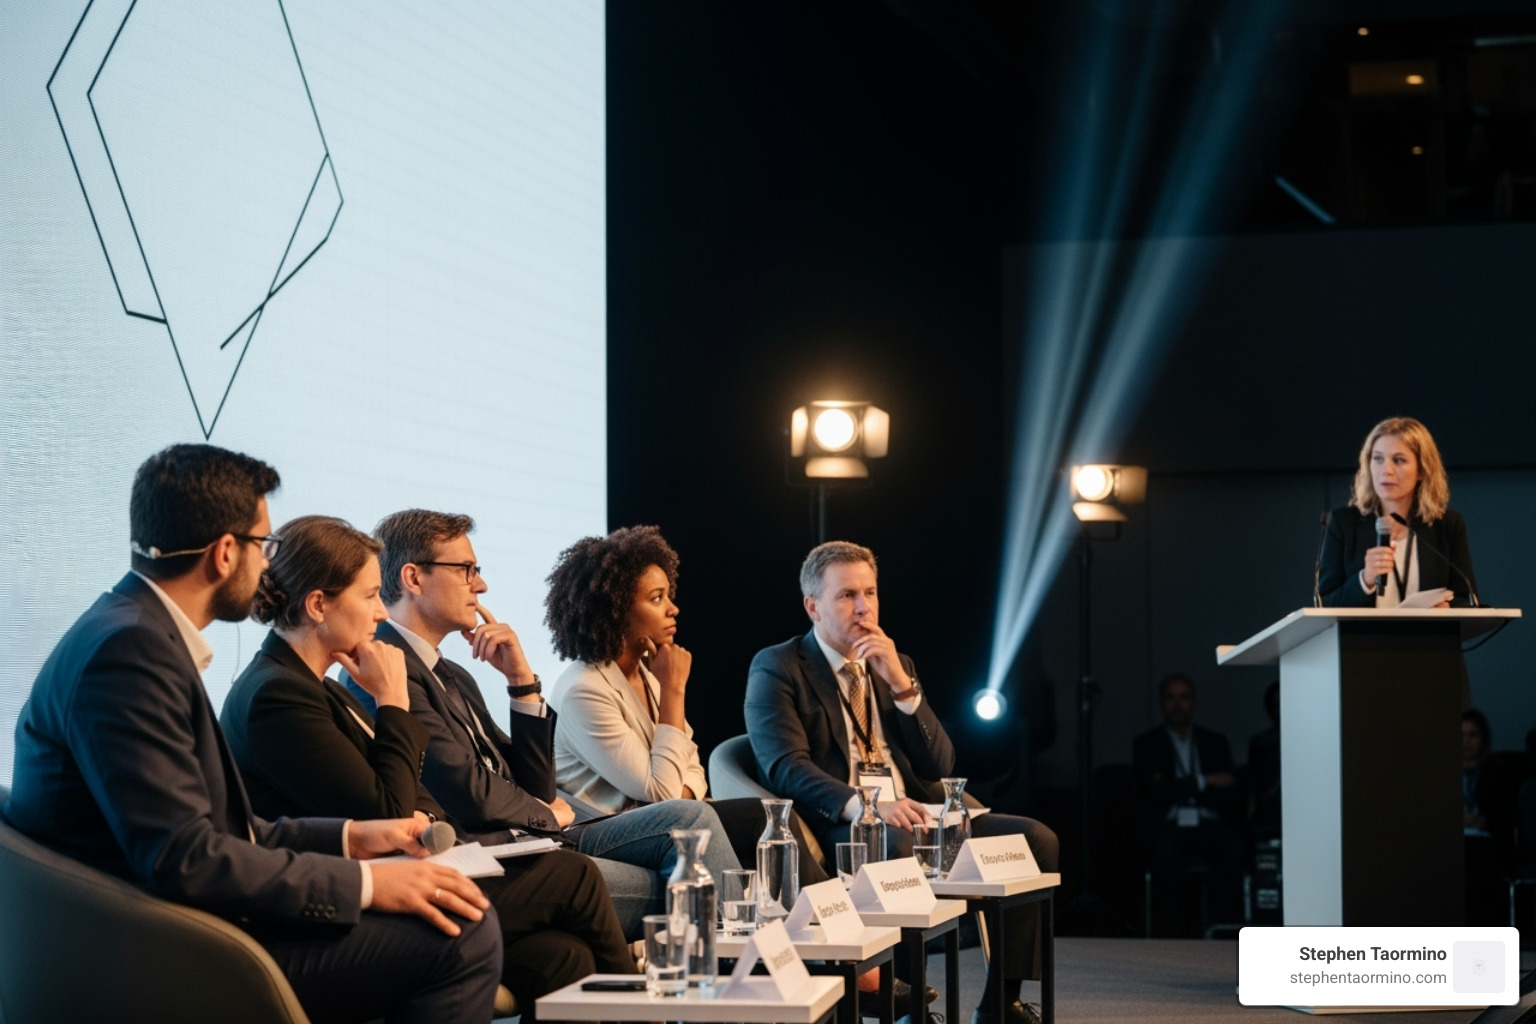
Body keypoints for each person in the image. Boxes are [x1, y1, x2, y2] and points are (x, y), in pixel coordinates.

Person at [6, 445, 501, 1024]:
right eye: (262, 546)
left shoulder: (132, 631)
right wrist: (367, 883)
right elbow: (188, 857)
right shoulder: (130, 653)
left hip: (169, 925)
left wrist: (353, 839)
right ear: (223, 554)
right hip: (159, 951)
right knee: (462, 933)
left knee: (462, 918)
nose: (269, 567)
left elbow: (222, 830)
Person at [220, 515, 635, 1014]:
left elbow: (404, 798)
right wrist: (393, 701)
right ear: (317, 606)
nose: (380, 613)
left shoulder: (316, 685)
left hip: (410, 865)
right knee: (574, 877)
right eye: (370, 596)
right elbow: (388, 810)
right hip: (330, 909)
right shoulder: (277, 695)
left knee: (560, 957)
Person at [350, 509, 737, 938]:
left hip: (536, 838)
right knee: (686, 870)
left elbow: (535, 784)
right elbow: (464, 787)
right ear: (414, 578)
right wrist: (544, 814)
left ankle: (739, 975)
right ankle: (748, 978)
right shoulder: (383, 669)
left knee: (696, 834)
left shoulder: (453, 674)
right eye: (466, 570)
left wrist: (522, 684)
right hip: (492, 853)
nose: (480, 585)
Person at [745, 540, 1060, 1024]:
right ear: (813, 606)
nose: (864, 608)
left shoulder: (896, 663)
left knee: (1035, 839)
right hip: (842, 822)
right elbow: (784, 767)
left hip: (918, 812)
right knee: (896, 839)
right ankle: (908, 1004)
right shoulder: (779, 667)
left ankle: (1002, 1001)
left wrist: (901, 686)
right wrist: (865, 806)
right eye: (847, 595)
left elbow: (939, 764)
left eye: (870, 593)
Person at [541, 526, 830, 879]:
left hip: (657, 818)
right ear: (615, 609)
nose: (673, 608)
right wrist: (675, 690)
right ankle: (810, 919)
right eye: (657, 598)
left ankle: (798, 920)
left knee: (765, 815)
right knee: (756, 817)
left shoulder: (648, 673)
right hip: (602, 831)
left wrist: (679, 790)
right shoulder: (583, 689)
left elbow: (692, 764)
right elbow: (663, 793)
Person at [1318, 416, 1477, 608]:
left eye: (1399, 460)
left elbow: (1468, 600)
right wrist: (1365, 579)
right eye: (1378, 459)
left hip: (1428, 637)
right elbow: (1324, 605)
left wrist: (1448, 609)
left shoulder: (1447, 525)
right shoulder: (1343, 523)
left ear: (1422, 470)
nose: (1386, 470)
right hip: (1361, 638)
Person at [1132, 673, 1247, 937]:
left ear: (1194, 702)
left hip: (1209, 821)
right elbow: (1155, 793)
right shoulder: (1147, 744)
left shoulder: (1214, 742)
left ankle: (1224, 932)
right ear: (1161, 702)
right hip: (1170, 823)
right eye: (1171, 698)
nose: (1177, 705)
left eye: (1184, 697)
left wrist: (1176, 786)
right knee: (1164, 855)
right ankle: (1171, 936)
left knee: (1235, 850)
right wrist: (1205, 782)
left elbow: (1229, 791)